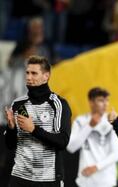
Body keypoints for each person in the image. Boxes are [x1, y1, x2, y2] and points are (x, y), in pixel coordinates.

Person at [4, 55, 71, 186]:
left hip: (48, 179)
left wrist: (34, 129)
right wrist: (11, 128)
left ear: (46, 76)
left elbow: (62, 141)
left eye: (34, 73)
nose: (29, 77)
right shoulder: (18, 104)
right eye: (27, 73)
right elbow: (10, 145)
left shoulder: (58, 104)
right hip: (20, 176)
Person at [66, 87, 118, 187]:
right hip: (85, 181)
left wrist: (96, 167)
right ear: (91, 102)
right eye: (101, 100)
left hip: (107, 181)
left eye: (107, 100)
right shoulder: (80, 121)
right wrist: (89, 126)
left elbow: (116, 154)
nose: (105, 104)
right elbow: (71, 147)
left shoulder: (113, 121)